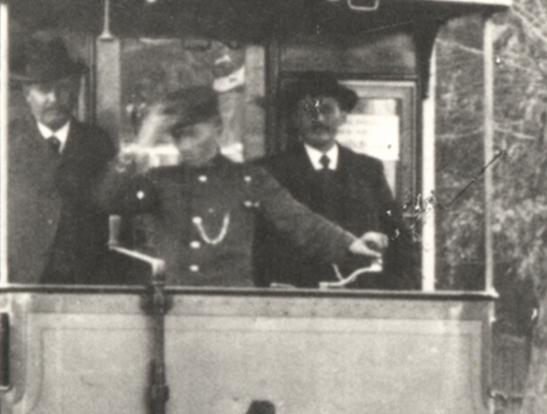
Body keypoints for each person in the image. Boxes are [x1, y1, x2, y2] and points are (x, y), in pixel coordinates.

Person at [96, 85, 388, 287]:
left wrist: (349, 243)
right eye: (178, 136)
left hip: (232, 308)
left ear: (217, 127)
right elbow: (107, 200)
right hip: (173, 308)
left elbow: (299, 221)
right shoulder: (159, 181)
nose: (184, 145)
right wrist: (144, 139)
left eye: (193, 134)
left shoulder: (249, 179)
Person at [0, 38, 119, 287]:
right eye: (44, 89)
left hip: (84, 290)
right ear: (27, 94)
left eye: (63, 88)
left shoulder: (96, 143)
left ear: (76, 91)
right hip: (16, 288)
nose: (54, 98)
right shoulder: (1, 140)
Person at [256, 78, 420, 289]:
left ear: (343, 117)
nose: (319, 119)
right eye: (309, 112)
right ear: (295, 119)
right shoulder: (271, 171)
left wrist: (401, 291)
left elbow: (398, 236)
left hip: (359, 293)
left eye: (327, 110)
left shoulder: (368, 170)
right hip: (296, 295)